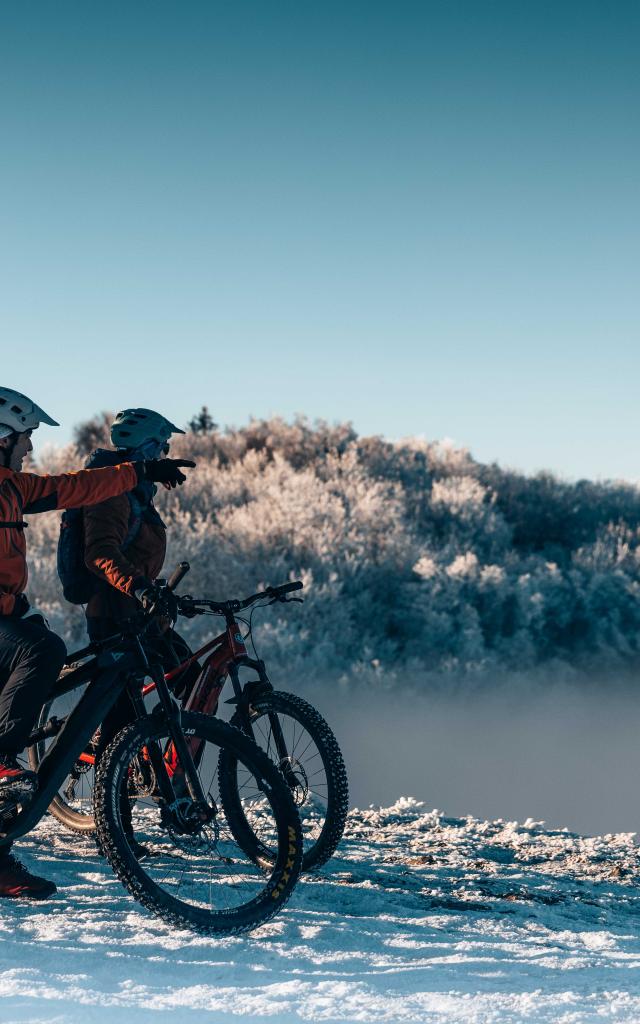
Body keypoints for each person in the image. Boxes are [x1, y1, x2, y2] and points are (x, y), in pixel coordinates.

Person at [0, 388, 195, 899]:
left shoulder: (13, 488)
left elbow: (73, 488)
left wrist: (140, 473)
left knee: (40, 644)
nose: (29, 446)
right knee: (42, 652)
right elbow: (99, 549)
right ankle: (3, 762)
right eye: (24, 437)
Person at [81, 408, 202, 860]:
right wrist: (138, 587)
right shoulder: (111, 489)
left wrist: (158, 595)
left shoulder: (135, 489)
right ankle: (116, 827)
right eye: (162, 445)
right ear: (145, 446)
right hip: (114, 617)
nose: (166, 453)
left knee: (185, 672)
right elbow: (100, 553)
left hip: (142, 617)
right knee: (120, 718)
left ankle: (154, 772)